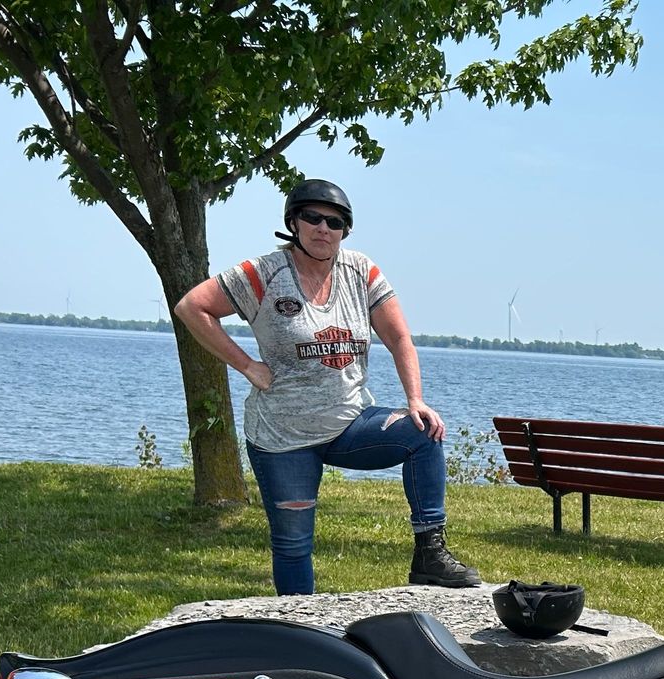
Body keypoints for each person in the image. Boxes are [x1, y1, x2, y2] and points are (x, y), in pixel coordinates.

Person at [173, 177, 481, 594]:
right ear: (293, 223)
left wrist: (415, 399)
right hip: (284, 437)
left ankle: (430, 555)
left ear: (344, 230)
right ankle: (300, 625)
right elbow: (192, 307)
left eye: (334, 222)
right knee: (293, 545)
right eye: (312, 218)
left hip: (349, 424)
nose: (323, 228)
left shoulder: (361, 271)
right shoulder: (263, 273)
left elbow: (399, 337)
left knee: (423, 433)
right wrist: (246, 366)